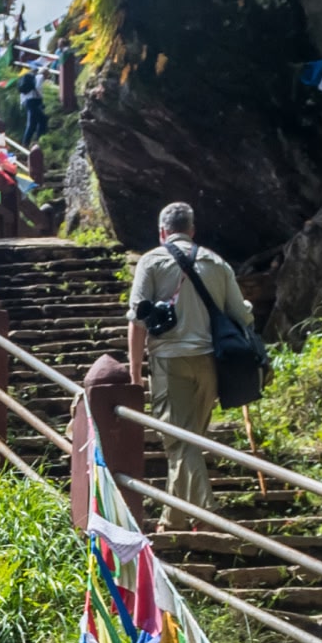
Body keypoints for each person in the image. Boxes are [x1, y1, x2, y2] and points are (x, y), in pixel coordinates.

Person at [126, 201, 254, 523]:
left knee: (180, 443)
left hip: (170, 362)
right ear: (193, 230)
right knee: (187, 441)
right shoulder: (216, 262)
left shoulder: (151, 261)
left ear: (162, 232)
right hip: (211, 363)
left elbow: (136, 319)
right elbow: (241, 315)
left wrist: (135, 374)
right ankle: (174, 520)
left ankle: (209, 515)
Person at [18, 69, 48, 146]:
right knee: (39, 121)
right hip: (33, 101)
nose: (48, 76)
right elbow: (38, 87)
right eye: (48, 74)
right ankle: (33, 142)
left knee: (36, 122)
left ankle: (32, 141)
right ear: (45, 73)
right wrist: (41, 96)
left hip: (27, 102)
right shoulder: (40, 77)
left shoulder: (30, 79)